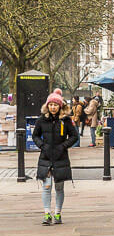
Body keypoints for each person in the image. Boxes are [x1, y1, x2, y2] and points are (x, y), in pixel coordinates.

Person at [32, 88, 78, 225]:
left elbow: (74, 136)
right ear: (47, 106)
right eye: (51, 105)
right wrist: (42, 145)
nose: (53, 107)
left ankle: (57, 213)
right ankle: (47, 214)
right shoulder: (41, 120)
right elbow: (35, 135)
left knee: (59, 187)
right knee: (46, 186)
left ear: (60, 106)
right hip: (45, 157)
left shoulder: (65, 120)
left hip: (60, 158)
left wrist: (63, 146)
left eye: (55, 105)